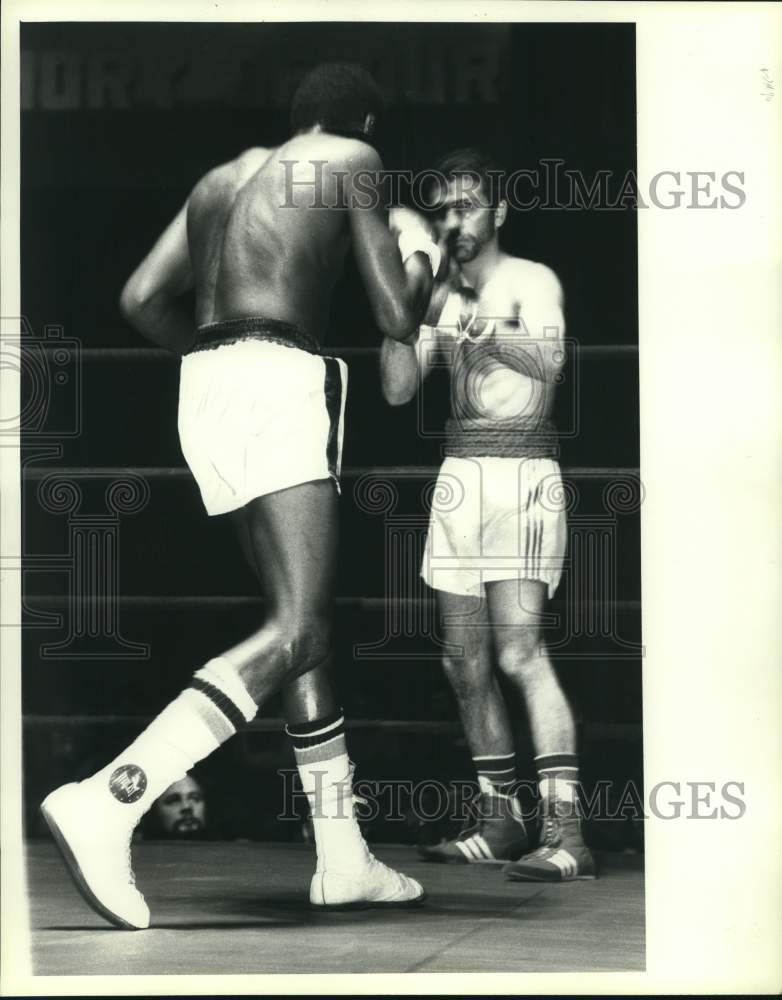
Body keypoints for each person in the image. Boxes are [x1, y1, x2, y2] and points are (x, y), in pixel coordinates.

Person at [41, 63, 442, 929]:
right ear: (362, 119)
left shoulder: (222, 177)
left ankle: (343, 858)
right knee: (300, 628)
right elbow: (394, 318)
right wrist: (420, 256)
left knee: (298, 633)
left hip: (205, 382)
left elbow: (142, 298)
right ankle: (115, 796)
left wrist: (224, 364)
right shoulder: (353, 158)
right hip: (273, 376)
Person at [380, 148, 595, 881]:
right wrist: (400, 303)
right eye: (442, 209)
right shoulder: (438, 291)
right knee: (461, 661)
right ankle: (501, 821)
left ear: (498, 212)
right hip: (458, 476)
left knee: (518, 655)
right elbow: (399, 391)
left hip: (522, 474)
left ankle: (567, 832)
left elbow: (550, 364)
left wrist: (463, 316)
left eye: (466, 205)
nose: (453, 220)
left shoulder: (530, 280)